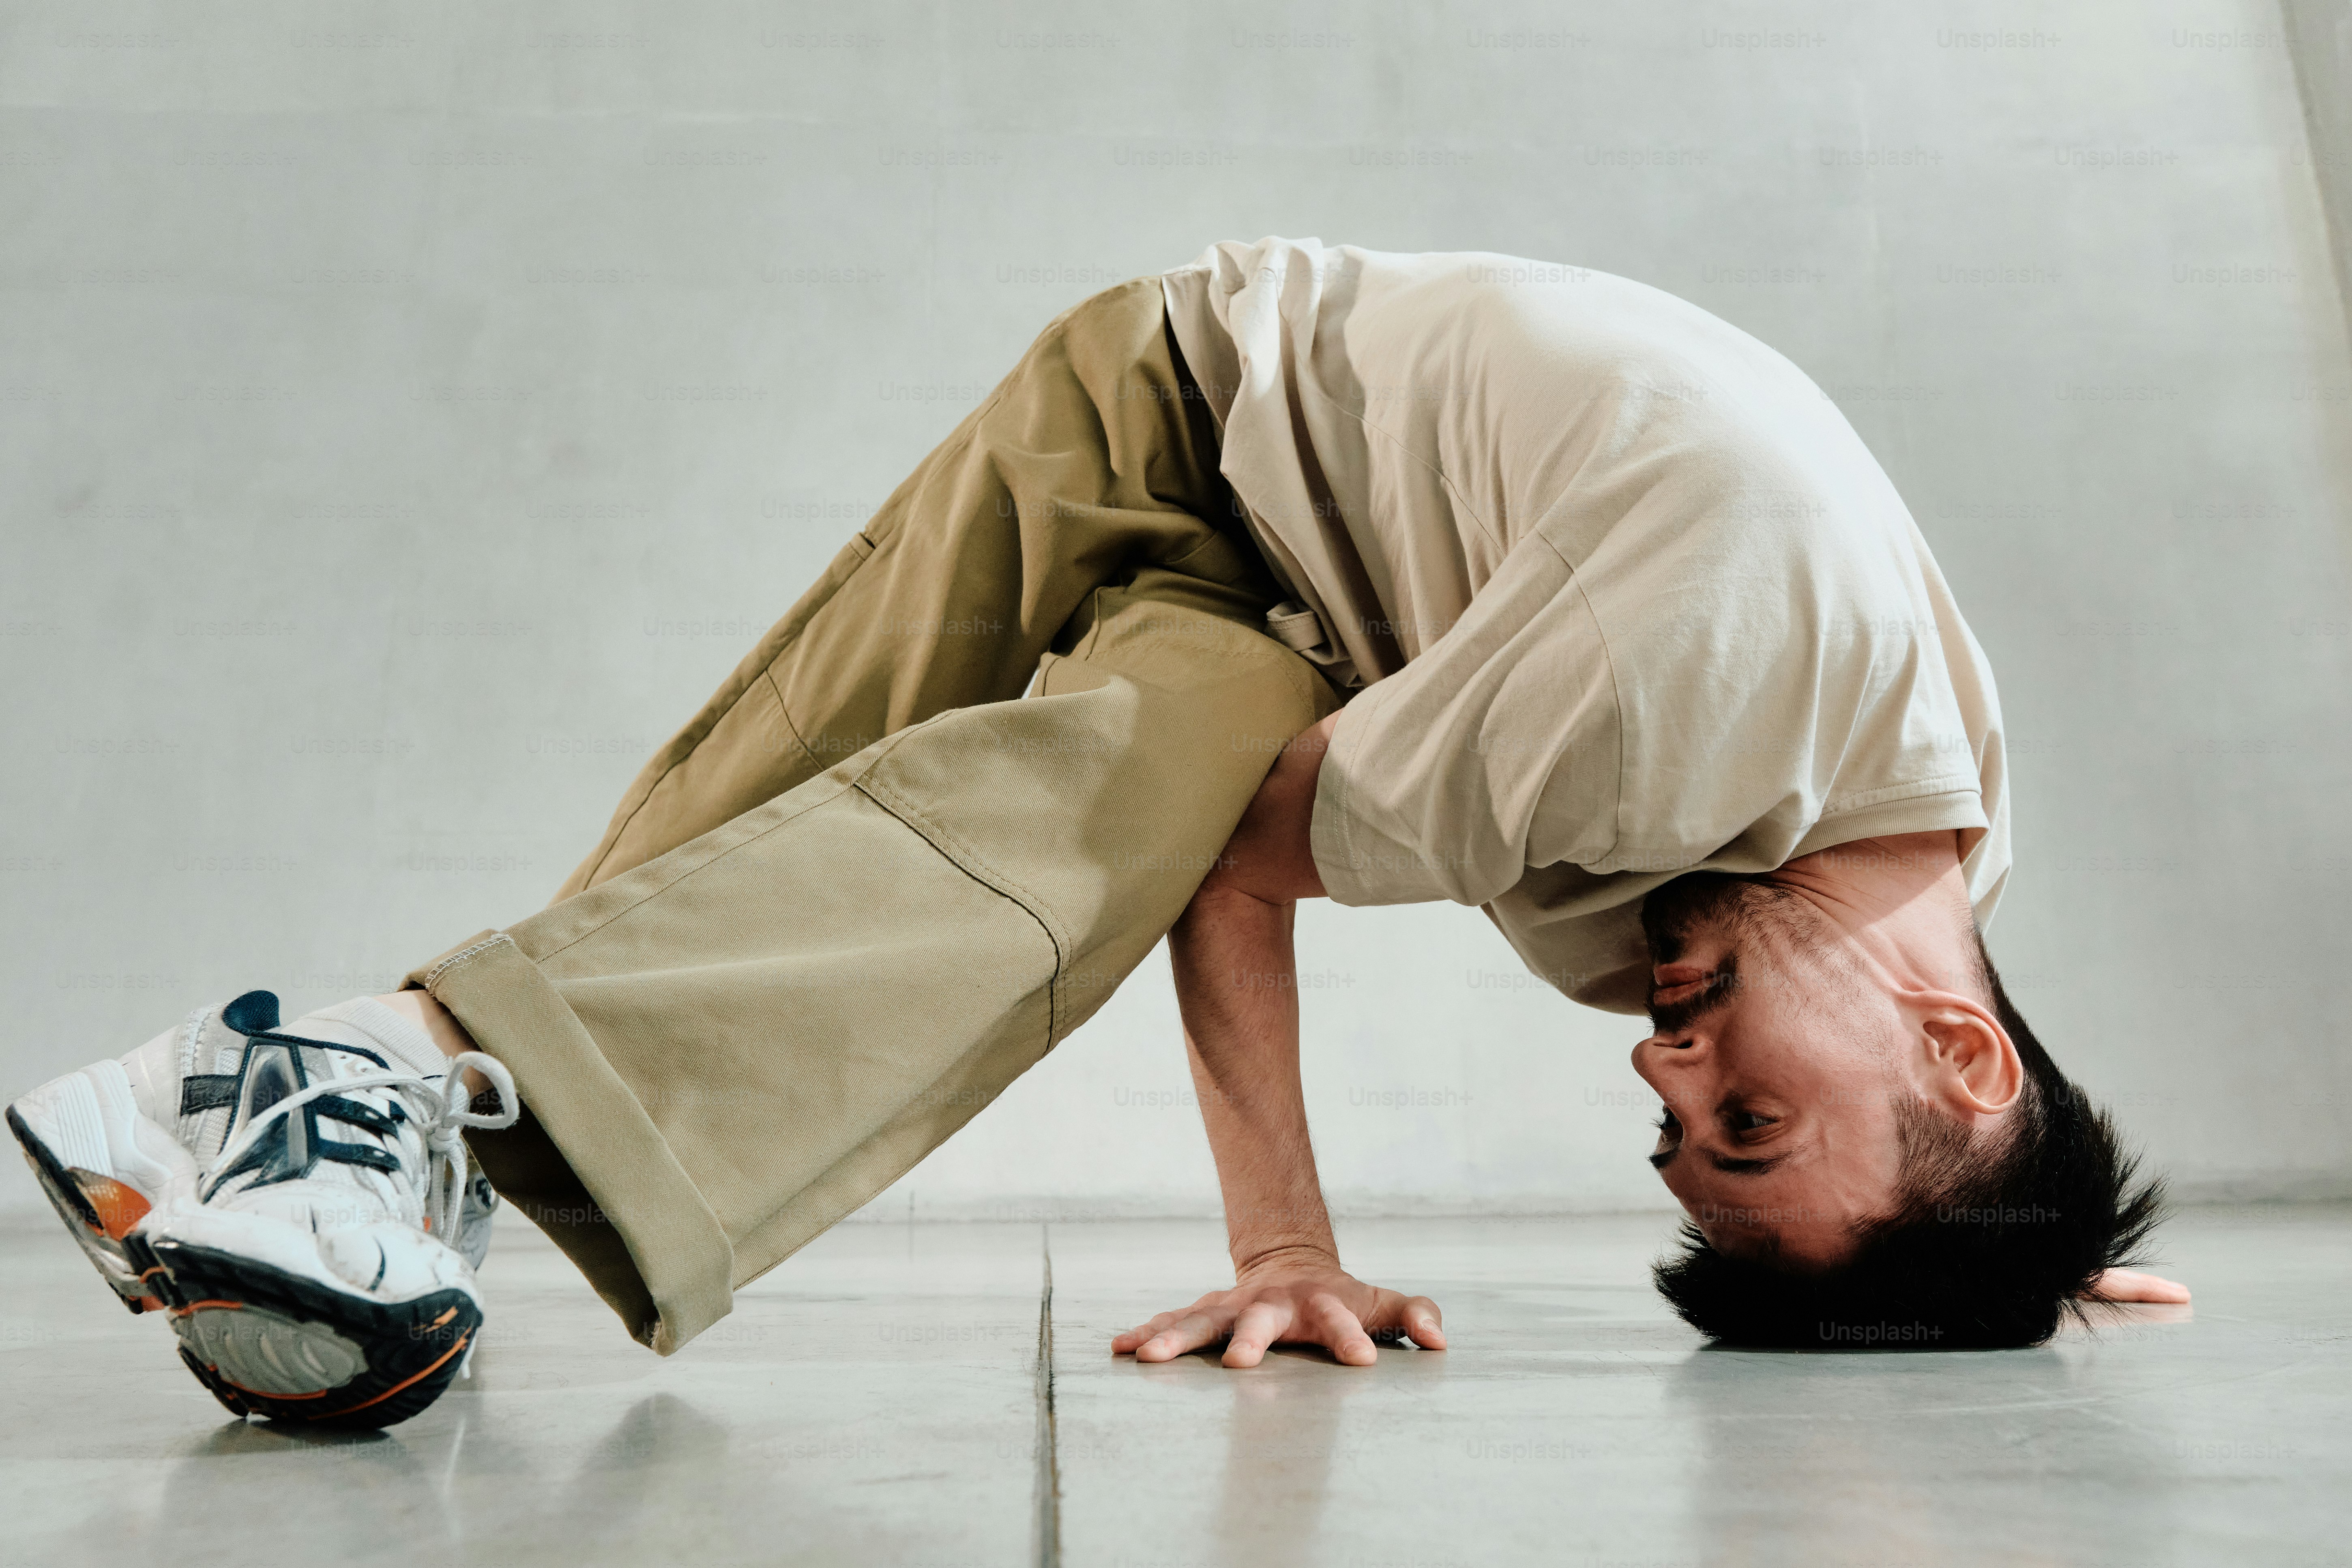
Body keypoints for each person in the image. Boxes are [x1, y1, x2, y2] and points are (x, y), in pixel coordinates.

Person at [7, 238, 2184, 1430]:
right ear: (1960, 1053)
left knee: (1003, 838)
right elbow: (1227, 855)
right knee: (837, 802)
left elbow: (1931, 1090)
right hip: (1188, 419)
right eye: (1745, 1121)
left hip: (1341, 607)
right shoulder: (1678, 703)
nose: (1661, 1064)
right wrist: (1285, 1248)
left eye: (1678, 1129)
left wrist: (2001, 1252)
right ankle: (366, 1082)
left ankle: (371, 1116)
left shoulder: (1906, 848)